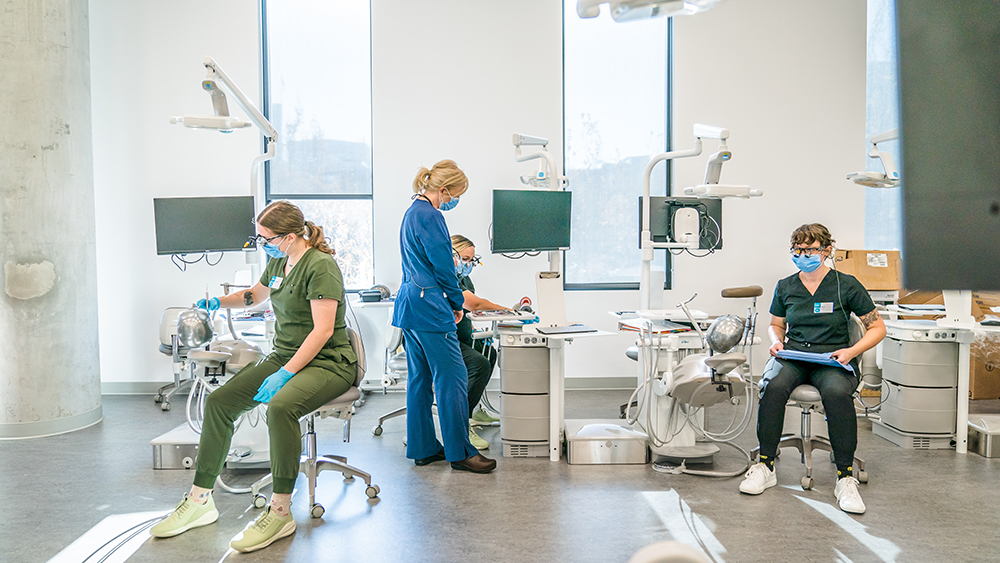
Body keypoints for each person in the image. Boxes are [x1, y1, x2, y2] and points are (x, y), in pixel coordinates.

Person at [149, 201, 358, 552]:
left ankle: (280, 512)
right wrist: (217, 302)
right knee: (219, 403)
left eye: (266, 238)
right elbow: (253, 296)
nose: (262, 244)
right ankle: (200, 500)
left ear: (290, 236)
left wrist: (286, 374)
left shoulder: (321, 266)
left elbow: (322, 331)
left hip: (328, 362)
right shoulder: (279, 261)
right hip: (284, 355)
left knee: (281, 407)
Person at [740, 223, 885, 514]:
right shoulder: (786, 286)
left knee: (835, 393)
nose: (803, 254)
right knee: (772, 386)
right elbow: (776, 325)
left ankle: (845, 477)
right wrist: (776, 343)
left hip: (832, 359)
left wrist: (852, 351)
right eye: (798, 249)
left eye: (810, 249)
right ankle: (765, 466)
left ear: (827, 250)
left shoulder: (847, 285)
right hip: (793, 356)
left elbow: (877, 328)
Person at [392, 160, 497, 473]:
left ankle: (423, 448)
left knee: (420, 380)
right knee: (453, 378)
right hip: (429, 308)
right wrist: (456, 302)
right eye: (456, 194)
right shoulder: (431, 215)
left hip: (410, 305)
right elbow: (443, 266)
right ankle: (460, 452)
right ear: (444, 190)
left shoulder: (411, 212)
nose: (454, 200)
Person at [451, 234, 510, 449]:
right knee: (478, 364)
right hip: (447, 339)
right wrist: (507, 310)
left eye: (471, 260)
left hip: (463, 335)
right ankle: (461, 424)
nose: (468, 264)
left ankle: (474, 410)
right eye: (465, 259)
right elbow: (474, 304)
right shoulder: (447, 276)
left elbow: (471, 307)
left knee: (489, 353)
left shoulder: (464, 278)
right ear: (452, 254)